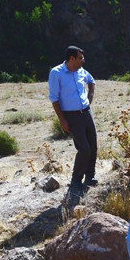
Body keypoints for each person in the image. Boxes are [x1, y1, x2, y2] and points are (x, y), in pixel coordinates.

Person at [48, 45, 98, 189]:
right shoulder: (56, 73)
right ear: (71, 58)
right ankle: (76, 180)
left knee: (93, 146)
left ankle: (90, 176)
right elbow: (54, 98)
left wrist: (90, 98)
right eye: (80, 58)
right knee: (84, 149)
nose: (83, 61)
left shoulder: (81, 71)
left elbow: (91, 81)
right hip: (72, 116)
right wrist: (62, 120)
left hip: (86, 112)